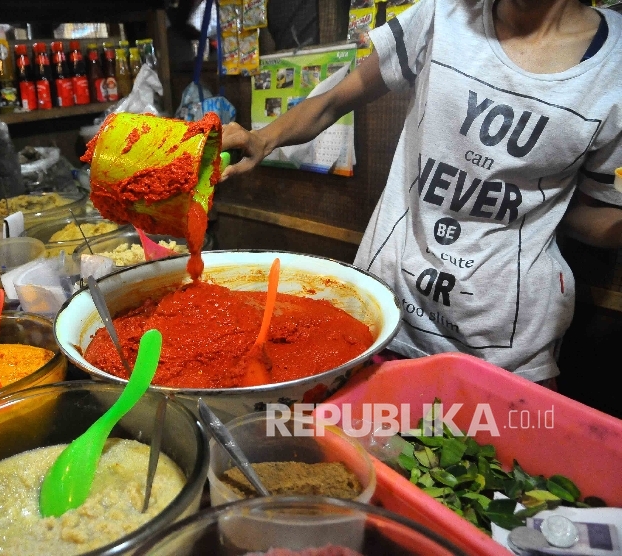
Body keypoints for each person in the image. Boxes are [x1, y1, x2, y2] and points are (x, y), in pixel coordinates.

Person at [220, 0, 622, 383]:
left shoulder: (613, 65)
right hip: (390, 310)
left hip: (507, 342)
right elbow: (333, 102)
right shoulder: (441, 14)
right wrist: (264, 138)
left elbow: (584, 213)